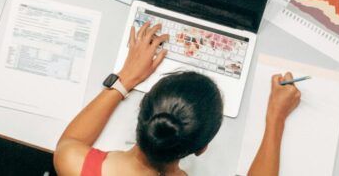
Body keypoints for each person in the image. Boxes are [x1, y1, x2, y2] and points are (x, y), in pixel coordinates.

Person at [54, 23, 301, 175]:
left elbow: (70, 141)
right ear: (202, 148)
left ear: (142, 116)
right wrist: (276, 118)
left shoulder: (72, 163)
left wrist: (126, 78)